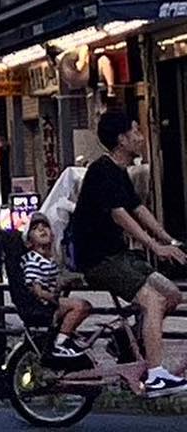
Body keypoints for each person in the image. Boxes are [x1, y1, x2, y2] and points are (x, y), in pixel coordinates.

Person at [72, 108, 187, 396]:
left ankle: (128, 343)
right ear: (122, 139)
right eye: (136, 131)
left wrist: (169, 240)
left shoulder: (120, 172)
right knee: (151, 300)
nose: (140, 136)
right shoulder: (102, 171)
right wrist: (154, 246)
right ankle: (156, 374)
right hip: (100, 259)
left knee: (171, 294)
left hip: (120, 256)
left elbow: (139, 209)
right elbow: (120, 215)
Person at [23, 213, 90, 358]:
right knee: (81, 306)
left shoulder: (50, 259)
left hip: (49, 301)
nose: (42, 230)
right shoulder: (34, 260)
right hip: (43, 304)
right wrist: (52, 298)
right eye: (36, 228)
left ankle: (65, 336)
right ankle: (61, 342)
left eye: (45, 226)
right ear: (30, 240)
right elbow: (37, 290)